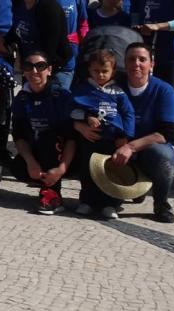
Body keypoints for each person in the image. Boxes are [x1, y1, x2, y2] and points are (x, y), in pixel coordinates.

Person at [115, 43, 174, 223]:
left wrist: (131, 146)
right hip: (121, 144)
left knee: (161, 155)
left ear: (152, 64)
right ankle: (110, 195)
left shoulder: (164, 90)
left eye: (142, 59)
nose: (136, 64)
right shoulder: (115, 86)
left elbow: (164, 134)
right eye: (131, 59)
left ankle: (161, 204)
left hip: (153, 147)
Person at [70, 49, 137, 219]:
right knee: (88, 171)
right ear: (89, 70)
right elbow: (71, 110)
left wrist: (126, 137)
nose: (100, 75)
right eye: (96, 71)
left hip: (113, 140)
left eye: (104, 71)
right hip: (90, 139)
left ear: (113, 71)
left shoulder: (119, 93)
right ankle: (87, 201)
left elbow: (128, 114)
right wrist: (86, 117)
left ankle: (110, 204)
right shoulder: (82, 90)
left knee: (111, 171)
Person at [10, 51, 76, 215]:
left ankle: (53, 195)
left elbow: (71, 137)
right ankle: (46, 184)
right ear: (23, 71)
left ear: (49, 70)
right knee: (17, 166)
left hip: (66, 156)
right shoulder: (22, 98)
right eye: (28, 67)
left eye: (40, 66)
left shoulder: (61, 96)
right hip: (38, 152)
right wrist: (30, 162)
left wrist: (61, 169)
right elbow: (19, 136)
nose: (34, 71)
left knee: (48, 137)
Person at [8, 0, 71, 89]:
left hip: (53, 68)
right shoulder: (19, 3)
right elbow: (18, 30)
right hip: (32, 67)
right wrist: (3, 42)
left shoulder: (49, 8)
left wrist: (37, 70)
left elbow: (51, 46)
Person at [43, 0, 88, 88]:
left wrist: (81, 41)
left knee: (61, 94)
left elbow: (83, 23)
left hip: (69, 56)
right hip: (46, 55)